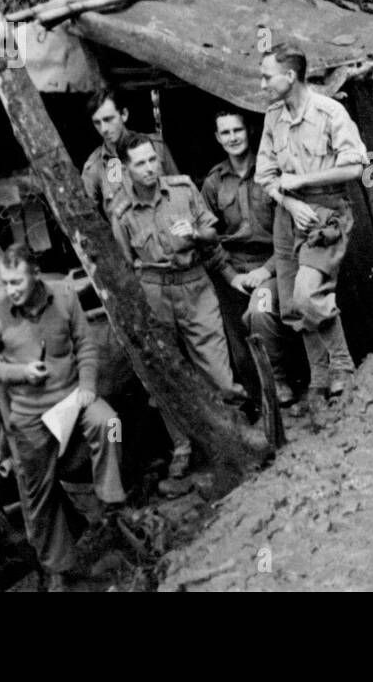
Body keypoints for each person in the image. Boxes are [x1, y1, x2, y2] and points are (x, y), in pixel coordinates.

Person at [0, 244, 125, 591]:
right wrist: (22, 372)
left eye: (17, 283)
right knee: (40, 498)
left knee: (109, 422)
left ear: (35, 275)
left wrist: (87, 385)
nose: (11, 290)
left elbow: (85, 344)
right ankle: (60, 571)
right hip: (30, 418)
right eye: (5, 283)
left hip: (74, 400)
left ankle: (112, 501)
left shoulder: (65, 297)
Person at [110, 133, 247, 483]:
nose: (149, 169)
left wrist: (197, 234)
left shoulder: (184, 190)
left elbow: (212, 233)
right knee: (167, 374)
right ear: (126, 169)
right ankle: (183, 446)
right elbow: (127, 265)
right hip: (154, 292)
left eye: (152, 159)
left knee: (217, 370)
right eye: (139, 163)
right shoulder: (122, 212)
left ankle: (238, 433)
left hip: (195, 284)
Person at [255, 44, 367, 419]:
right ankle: (320, 379)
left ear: (290, 76)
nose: (263, 83)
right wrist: (289, 202)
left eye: (267, 76)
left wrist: (303, 181)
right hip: (290, 215)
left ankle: (343, 366)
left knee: (307, 294)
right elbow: (266, 176)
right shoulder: (273, 118)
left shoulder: (330, 112)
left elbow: (354, 166)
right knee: (291, 305)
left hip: (327, 211)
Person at [202, 111, 296, 406]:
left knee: (259, 310)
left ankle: (278, 381)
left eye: (237, 130)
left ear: (249, 131)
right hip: (232, 271)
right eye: (225, 133)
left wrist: (265, 271)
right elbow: (207, 238)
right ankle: (251, 398)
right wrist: (231, 276)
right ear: (217, 138)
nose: (233, 138)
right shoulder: (214, 182)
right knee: (223, 331)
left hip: (274, 266)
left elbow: (290, 229)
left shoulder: (270, 172)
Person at [81, 88, 179, 216]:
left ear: (124, 115)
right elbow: (91, 218)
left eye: (108, 119)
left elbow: (180, 193)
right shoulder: (94, 167)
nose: (104, 129)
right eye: (97, 123)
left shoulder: (155, 147)